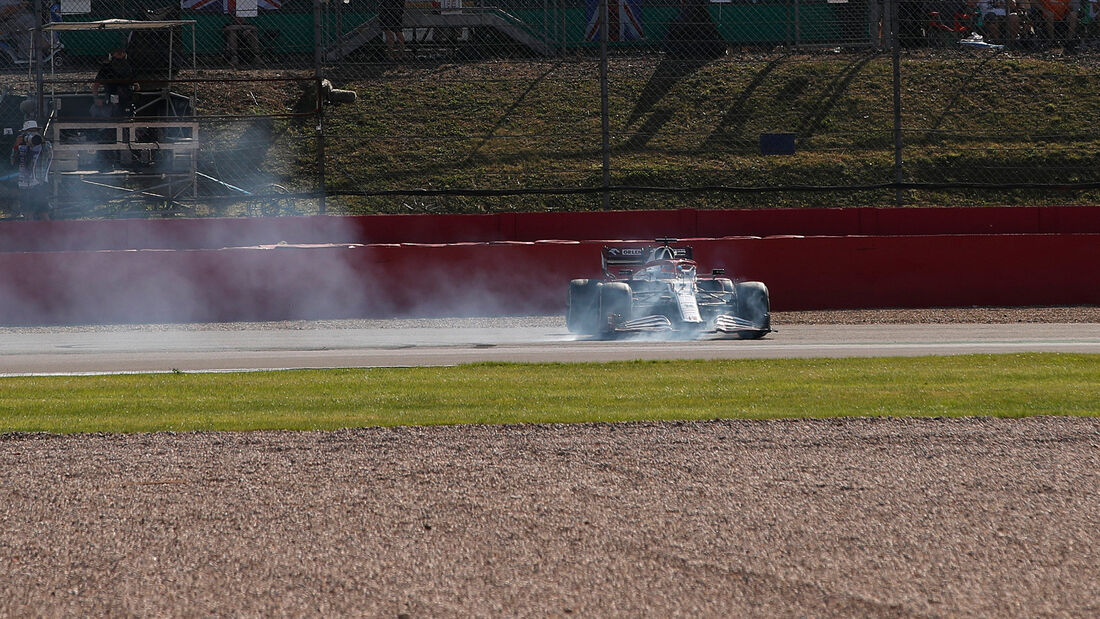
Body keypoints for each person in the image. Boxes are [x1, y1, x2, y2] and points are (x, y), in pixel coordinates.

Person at [10, 119, 53, 220]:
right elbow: (13, 161)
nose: (31, 135)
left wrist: (40, 141)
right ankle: (29, 234)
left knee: (43, 212)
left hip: (39, 182)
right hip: (25, 184)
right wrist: (16, 145)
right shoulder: (21, 146)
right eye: (28, 132)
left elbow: (48, 153)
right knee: (27, 212)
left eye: (34, 132)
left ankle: (50, 234)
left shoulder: (44, 145)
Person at [91, 48, 139, 117]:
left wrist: (134, 86)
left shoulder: (129, 68)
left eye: (121, 53)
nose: (120, 55)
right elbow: (95, 85)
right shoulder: (106, 68)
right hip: (112, 98)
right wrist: (96, 98)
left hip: (126, 98)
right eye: (118, 53)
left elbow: (137, 86)